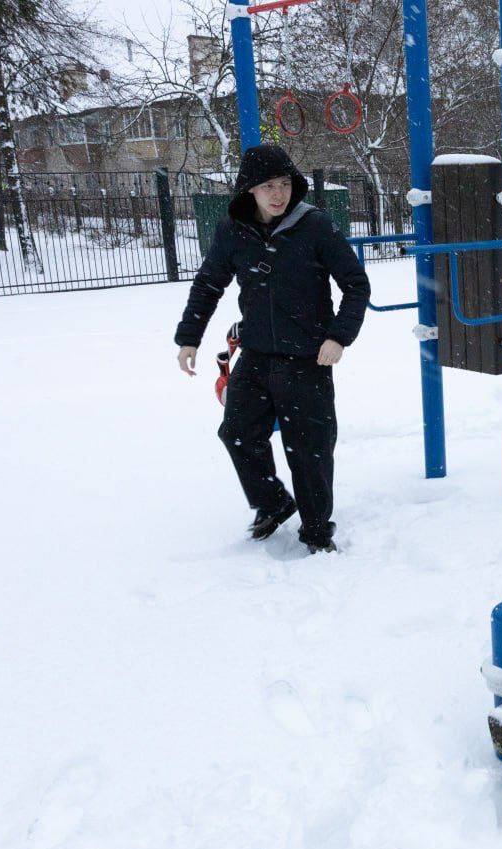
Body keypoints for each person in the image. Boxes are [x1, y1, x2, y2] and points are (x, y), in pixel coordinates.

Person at [174, 145, 370, 554]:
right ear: (250, 191)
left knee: (309, 449)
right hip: (257, 355)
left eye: (283, 184)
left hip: (308, 358)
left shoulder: (314, 226)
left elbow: (355, 285)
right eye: (268, 187)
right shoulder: (233, 231)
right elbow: (209, 283)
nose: (278, 194)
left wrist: (338, 337)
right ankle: (274, 501)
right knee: (238, 433)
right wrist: (189, 336)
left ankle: (317, 530)